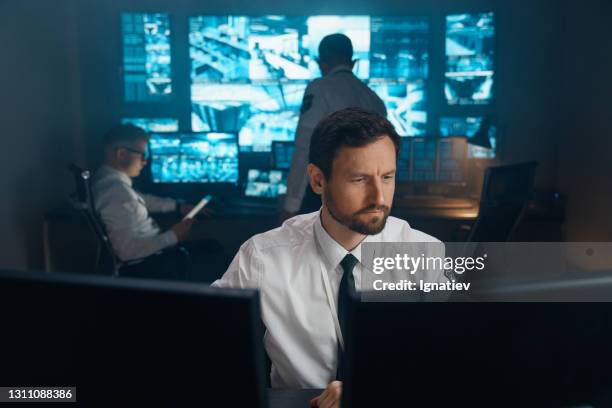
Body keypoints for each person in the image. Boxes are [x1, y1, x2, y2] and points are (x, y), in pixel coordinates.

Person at [213, 108, 447, 408]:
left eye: (387, 177)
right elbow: (206, 339)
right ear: (318, 180)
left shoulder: (425, 254)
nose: (379, 197)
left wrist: (368, 389)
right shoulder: (262, 256)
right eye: (360, 179)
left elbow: (450, 356)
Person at [92, 124, 222, 280]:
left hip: (153, 252)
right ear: (121, 154)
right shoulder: (117, 194)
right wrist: (173, 235)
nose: (145, 161)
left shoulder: (108, 182)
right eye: (142, 155)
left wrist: (178, 206)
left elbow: (141, 199)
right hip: (149, 263)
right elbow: (127, 252)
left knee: (212, 247)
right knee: (214, 250)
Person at [282, 33, 387, 221]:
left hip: (327, 198)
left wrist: (291, 205)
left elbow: (305, 147)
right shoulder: (374, 99)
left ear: (320, 62)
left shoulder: (320, 89)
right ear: (353, 62)